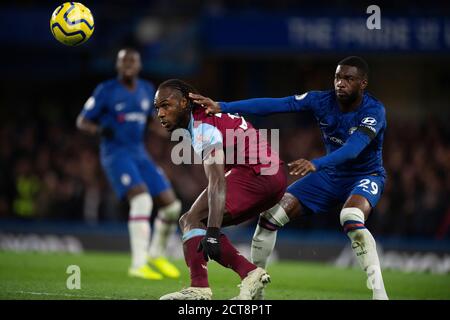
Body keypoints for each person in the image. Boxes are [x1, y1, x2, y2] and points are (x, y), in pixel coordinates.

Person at [189, 56, 389, 300]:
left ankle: (380, 295)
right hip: (329, 176)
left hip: (364, 174)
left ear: (363, 83)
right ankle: (255, 292)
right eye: (338, 77)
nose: (340, 83)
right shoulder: (321, 100)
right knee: (270, 218)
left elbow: (354, 148)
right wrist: (223, 106)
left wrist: (317, 163)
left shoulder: (374, 111)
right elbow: (276, 104)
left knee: (350, 217)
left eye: (349, 79)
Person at [154, 79, 287, 300]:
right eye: (157, 107)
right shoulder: (206, 118)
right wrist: (211, 230)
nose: (160, 113)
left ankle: (202, 287)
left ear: (185, 103)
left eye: (166, 105)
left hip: (257, 173)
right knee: (194, 222)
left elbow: (217, 181)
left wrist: (214, 233)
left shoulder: (202, 127)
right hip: (271, 175)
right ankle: (248, 273)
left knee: (191, 221)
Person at [76, 48, 181, 280]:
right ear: (117, 65)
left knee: (172, 206)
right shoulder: (106, 90)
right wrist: (99, 129)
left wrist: (167, 129)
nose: (128, 65)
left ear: (139, 65)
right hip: (116, 154)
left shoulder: (146, 90)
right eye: (124, 61)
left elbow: (150, 120)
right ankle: (138, 264)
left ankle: (156, 254)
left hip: (139, 153)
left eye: (132, 61)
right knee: (142, 200)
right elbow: (82, 121)